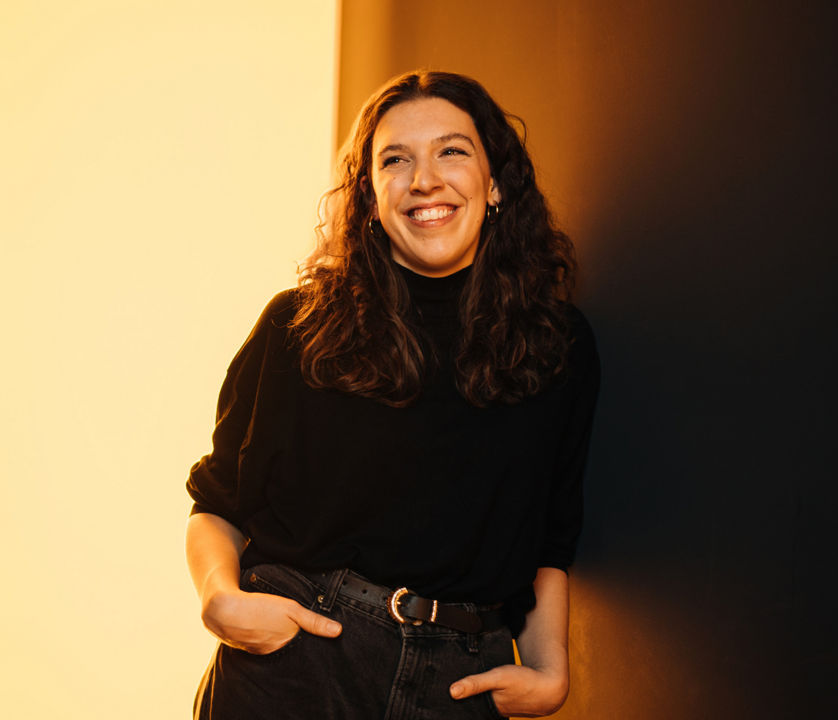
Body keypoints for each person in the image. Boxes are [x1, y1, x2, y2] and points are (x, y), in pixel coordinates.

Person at [185, 70, 600, 719]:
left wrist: (550, 669)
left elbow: (550, 537)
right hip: (299, 664)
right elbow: (217, 503)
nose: (424, 178)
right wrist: (218, 598)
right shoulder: (299, 327)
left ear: (494, 182)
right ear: (371, 195)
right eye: (395, 159)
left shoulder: (557, 344)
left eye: (451, 150)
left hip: (461, 680)